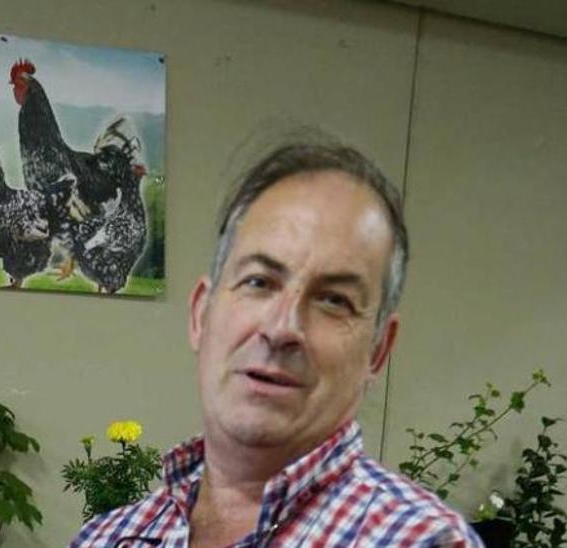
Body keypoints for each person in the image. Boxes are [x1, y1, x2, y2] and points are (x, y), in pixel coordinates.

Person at [71, 140, 482, 547]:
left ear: (377, 350)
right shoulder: (108, 538)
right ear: (201, 314)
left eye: (334, 300)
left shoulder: (422, 541)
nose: (282, 328)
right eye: (259, 282)